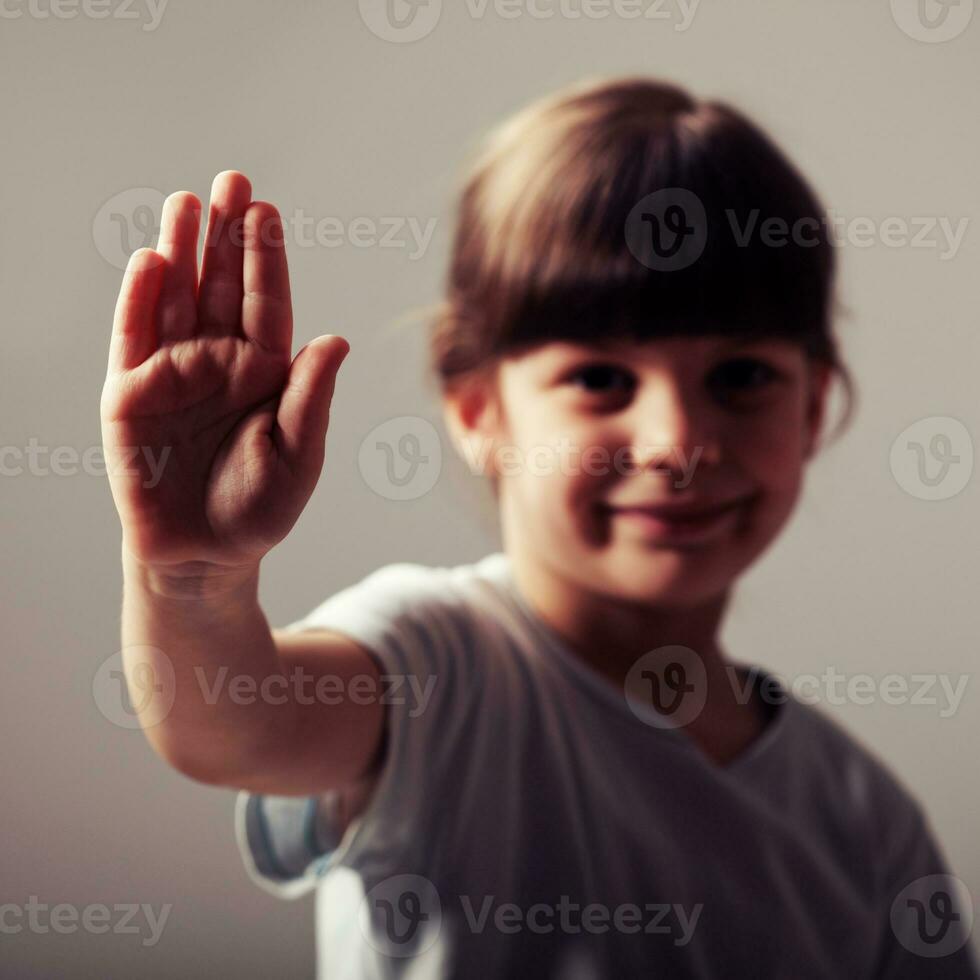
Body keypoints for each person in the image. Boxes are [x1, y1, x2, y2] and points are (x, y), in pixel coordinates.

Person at [101, 75, 979, 978]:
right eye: (601, 380)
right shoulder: (440, 667)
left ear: (814, 406)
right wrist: (194, 575)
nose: (676, 444)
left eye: (741, 377)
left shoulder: (863, 819)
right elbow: (229, 728)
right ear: (478, 408)